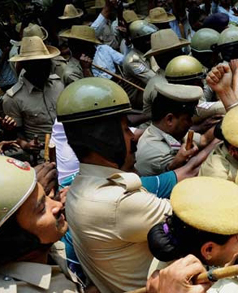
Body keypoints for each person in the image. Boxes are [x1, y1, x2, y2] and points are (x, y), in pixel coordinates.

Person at [57, 77, 172, 292]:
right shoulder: (116, 201)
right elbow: (195, 218)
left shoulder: (80, 187)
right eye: (126, 130)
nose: (133, 137)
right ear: (106, 139)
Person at [0, 155, 82, 291]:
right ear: (13, 238)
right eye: (41, 209)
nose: (57, 204)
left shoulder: (36, 250)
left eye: (47, 197)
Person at [3, 36, 63, 154]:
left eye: (46, 62)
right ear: (26, 66)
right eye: (38, 64)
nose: (44, 67)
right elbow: (15, 135)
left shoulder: (58, 84)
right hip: (43, 154)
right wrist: (25, 145)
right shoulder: (13, 98)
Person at [135, 82, 202, 176]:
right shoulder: (158, 153)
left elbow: (204, 140)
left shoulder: (169, 133)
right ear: (169, 119)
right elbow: (191, 171)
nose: (191, 123)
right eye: (188, 118)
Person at [122, 20, 158, 110]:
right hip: (138, 104)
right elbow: (153, 80)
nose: (151, 41)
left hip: (150, 96)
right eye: (148, 39)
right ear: (139, 41)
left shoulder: (149, 52)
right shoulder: (132, 60)